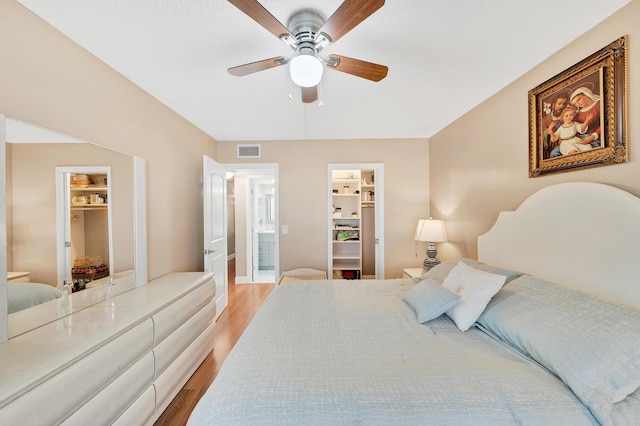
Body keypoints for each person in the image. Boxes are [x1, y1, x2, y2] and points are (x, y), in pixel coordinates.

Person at [541, 91, 570, 158]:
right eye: (559, 103)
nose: (561, 106)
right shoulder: (545, 120)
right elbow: (542, 139)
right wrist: (549, 129)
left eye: (564, 104)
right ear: (554, 105)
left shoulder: (567, 117)